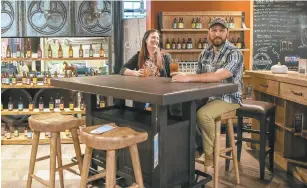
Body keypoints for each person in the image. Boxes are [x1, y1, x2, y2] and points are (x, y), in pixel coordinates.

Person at [171, 17, 244, 167]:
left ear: (227, 33)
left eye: (221, 30)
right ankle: (198, 148)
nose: (218, 34)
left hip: (228, 98)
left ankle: (209, 156)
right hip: (207, 97)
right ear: (208, 33)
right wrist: (185, 78)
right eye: (214, 30)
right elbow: (199, 77)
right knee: (177, 108)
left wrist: (188, 78)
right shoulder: (205, 53)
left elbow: (218, 76)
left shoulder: (234, 53)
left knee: (202, 114)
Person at [120, 29, 172, 109]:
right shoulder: (139, 56)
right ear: (146, 40)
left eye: (157, 38)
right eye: (153, 37)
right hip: (144, 92)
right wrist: (135, 73)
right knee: (139, 114)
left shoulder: (165, 57)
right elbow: (123, 69)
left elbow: (172, 75)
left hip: (161, 93)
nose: (156, 40)